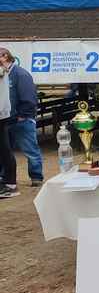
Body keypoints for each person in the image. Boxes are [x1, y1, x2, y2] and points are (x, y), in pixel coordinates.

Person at [0, 47, 43, 186]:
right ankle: (5, 177)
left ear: (5, 56)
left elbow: (29, 97)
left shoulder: (20, 74)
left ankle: (36, 177)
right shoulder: (4, 74)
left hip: (21, 120)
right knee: (5, 151)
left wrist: (23, 115)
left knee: (30, 150)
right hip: (6, 119)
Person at [0, 61, 17, 199]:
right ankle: (9, 183)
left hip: (1, 114)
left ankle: (9, 184)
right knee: (4, 149)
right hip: (3, 114)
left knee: (4, 149)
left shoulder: (2, 71)